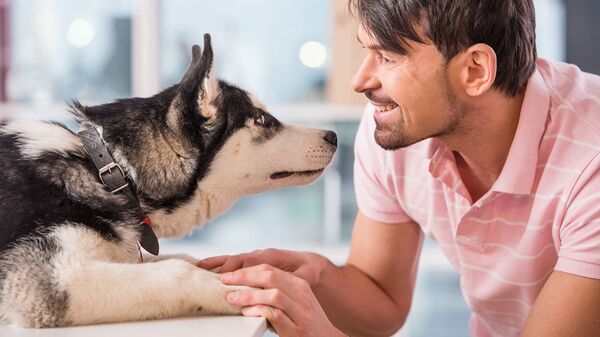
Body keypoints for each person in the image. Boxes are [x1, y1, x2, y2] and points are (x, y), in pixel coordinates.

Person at [198, 0, 600, 336]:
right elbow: (382, 301)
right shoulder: (399, 126)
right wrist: (316, 276)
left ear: (475, 70)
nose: (360, 80)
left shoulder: (591, 162)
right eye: (366, 52)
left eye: (388, 57)